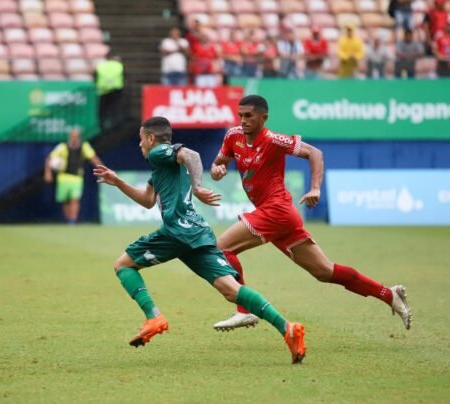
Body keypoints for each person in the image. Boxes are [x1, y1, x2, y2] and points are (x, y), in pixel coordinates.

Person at [93, 116, 307, 364]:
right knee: (231, 290)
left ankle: (154, 317)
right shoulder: (161, 164)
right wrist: (118, 182)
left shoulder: (159, 153)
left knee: (123, 265)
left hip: (177, 230)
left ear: (151, 138)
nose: (140, 144)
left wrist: (197, 187)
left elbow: (191, 154)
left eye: (141, 139)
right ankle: (287, 328)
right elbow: (148, 200)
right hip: (197, 232)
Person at [209, 95, 412, 332]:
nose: (243, 120)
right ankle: (389, 294)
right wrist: (217, 170)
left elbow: (315, 153)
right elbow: (217, 164)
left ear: (264, 118)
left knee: (221, 248)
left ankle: (244, 310)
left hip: (276, 209)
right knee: (324, 271)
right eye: (240, 115)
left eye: (249, 116)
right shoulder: (233, 136)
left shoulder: (274, 140)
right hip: (278, 215)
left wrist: (315, 188)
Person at [44, 128, 102, 224]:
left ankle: (72, 220)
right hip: (63, 177)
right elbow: (49, 159)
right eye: (73, 136)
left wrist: (103, 170)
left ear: (79, 137)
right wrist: (48, 173)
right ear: (70, 136)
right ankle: (68, 220)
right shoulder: (62, 147)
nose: (74, 138)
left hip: (76, 178)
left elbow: (93, 158)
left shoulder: (84, 146)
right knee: (65, 200)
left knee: (75, 199)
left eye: (76, 136)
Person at [95, 52, 124, 131]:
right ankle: (116, 127)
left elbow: (95, 76)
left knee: (103, 111)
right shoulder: (118, 65)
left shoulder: (101, 65)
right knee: (115, 110)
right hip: (116, 90)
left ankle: (102, 127)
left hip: (103, 91)